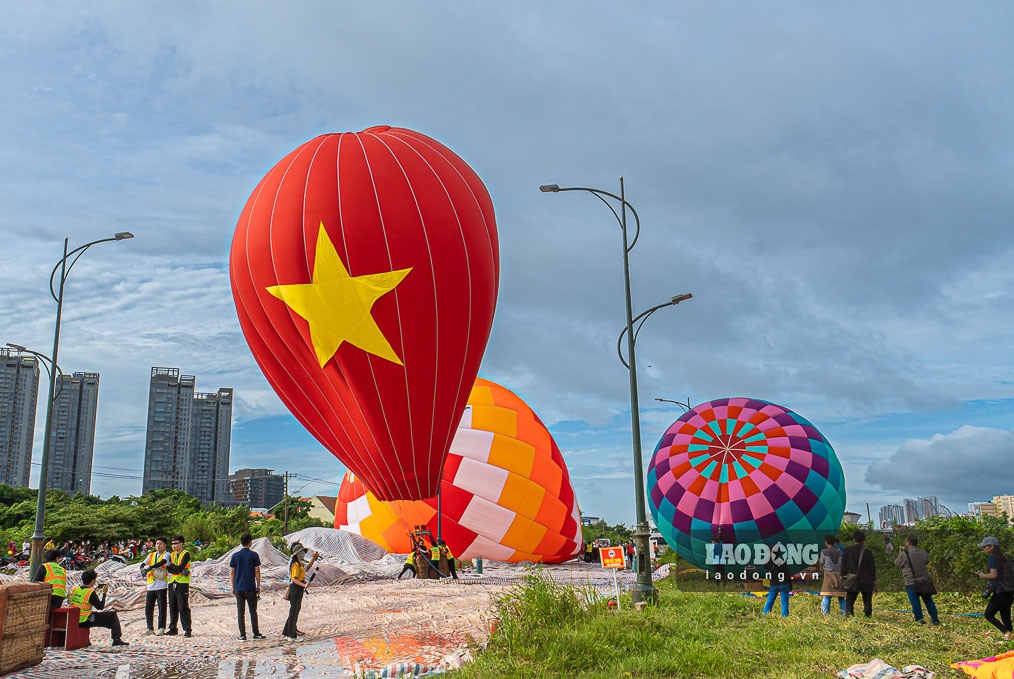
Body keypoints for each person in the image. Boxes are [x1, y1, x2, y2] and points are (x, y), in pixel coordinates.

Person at [68, 569, 128, 646]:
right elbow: (100, 607)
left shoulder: (75, 589)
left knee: (97, 615)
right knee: (112, 615)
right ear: (93, 581)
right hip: (85, 619)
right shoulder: (90, 592)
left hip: (74, 618)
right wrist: (104, 594)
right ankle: (116, 639)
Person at [894, 535, 939, 625]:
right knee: (929, 601)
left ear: (909, 543)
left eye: (906, 542)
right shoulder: (923, 552)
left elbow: (897, 564)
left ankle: (919, 619)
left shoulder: (904, 554)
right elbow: (929, 563)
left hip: (911, 582)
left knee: (915, 602)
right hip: (924, 581)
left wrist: (900, 552)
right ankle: (935, 619)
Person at [229, 533, 265, 641]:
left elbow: (232, 572)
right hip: (250, 587)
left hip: (239, 588)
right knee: (253, 611)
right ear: (250, 542)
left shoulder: (235, 556)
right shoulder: (254, 555)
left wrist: (233, 586)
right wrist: (258, 585)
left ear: (241, 542)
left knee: (240, 612)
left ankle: (242, 635)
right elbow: (257, 571)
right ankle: (256, 633)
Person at [977, 536, 1013, 639]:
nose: (983, 549)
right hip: (1008, 592)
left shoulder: (992, 558)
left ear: (991, 546)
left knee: (988, 614)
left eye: (984, 547)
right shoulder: (1003, 558)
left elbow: (994, 575)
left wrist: (983, 575)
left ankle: (1006, 633)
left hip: (1000, 592)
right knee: (1005, 615)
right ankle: (1010, 635)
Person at [282, 543, 317, 640]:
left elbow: (305, 569)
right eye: (301, 552)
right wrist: (304, 585)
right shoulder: (295, 564)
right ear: (296, 553)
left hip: (298, 587)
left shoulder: (299, 563)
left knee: (294, 611)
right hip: (296, 588)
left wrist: (313, 559)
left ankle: (287, 632)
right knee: (294, 611)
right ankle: (291, 635)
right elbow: (294, 579)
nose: (303, 553)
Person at [841, 530, 876, 617]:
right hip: (867, 580)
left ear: (854, 539)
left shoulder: (847, 550)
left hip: (852, 579)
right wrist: (874, 582)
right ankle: (868, 616)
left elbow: (843, 565)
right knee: (867, 600)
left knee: (850, 600)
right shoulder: (868, 552)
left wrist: (842, 576)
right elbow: (872, 568)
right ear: (863, 540)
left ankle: (850, 616)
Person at [140, 537, 169, 635]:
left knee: (162, 607)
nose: (158, 545)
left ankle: (161, 627)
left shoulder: (167, 554)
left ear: (165, 545)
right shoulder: (151, 555)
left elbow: (162, 562)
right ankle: (150, 628)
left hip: (161, 585)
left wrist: (150, 567)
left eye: (160, 544)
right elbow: (143, 563)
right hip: (151, 585)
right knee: (148, 608)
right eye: (157, 544)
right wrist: (142, 568)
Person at [166, 535, 192, 637]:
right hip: (172, 581)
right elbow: (170, 569)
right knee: (172, 605)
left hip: (182, 583)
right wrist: (177, 569)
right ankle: (173, 628)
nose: (173, 545)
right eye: (172, 544)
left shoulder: (186, 554)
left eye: (175, 543)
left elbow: (179, 567)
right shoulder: (172, 555)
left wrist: (174, 567)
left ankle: (187, 629)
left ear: (181, 543)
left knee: (183, 606)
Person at [819, 535, 846, 615]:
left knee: (827, 595)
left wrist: (821, 569)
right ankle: (844, 613)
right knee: (841, 596)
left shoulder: (824, 552)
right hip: (839, 574)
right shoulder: (840, 552)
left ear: (826, 542)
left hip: (828, 574)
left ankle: (825, 613)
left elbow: (821, 563)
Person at [761, 546, 792, 617]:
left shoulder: (770, 563)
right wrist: (790, 585)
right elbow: (787, 574)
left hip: (774, 584)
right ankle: (785, 616)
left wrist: (768, 555)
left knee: (770, 601)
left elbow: (765, 566)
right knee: (784, 603)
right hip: (784, 584)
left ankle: (765, 614)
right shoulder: (782, 562)